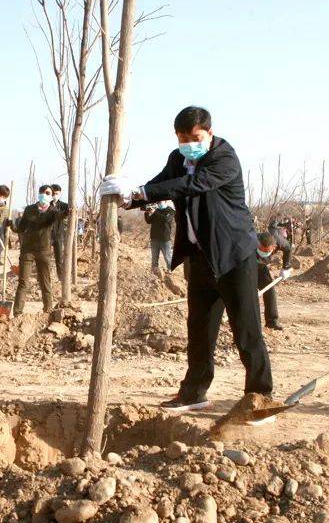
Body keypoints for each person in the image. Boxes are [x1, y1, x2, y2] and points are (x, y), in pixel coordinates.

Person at [100, 106, 273, 414]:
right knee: (200, 331)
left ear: (209, 132)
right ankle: (194, 392)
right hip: (200, 259)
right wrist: (132, 197)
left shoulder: (224, 158)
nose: (188, 142)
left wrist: (141, 191)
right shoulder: (178, 158)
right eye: (182, 137)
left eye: (195, 137)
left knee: (246, 330)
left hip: (234, 257)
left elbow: (192, 185)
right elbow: (164, 181)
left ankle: (260, 395)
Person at [12, 185, 63, 316]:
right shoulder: (29, 210)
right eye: (42, 192)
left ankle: (48, 310)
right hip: (27, 250)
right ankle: (17, 313)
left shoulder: (53, 212)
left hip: (43, 251)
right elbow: (21, 228)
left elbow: (62, 217)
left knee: (45, 281)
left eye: (47, 193)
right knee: (23, 282)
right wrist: (11, 225)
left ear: (51, 196)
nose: (43, 195)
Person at [255, 229, 293, 330]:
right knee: (250, 294)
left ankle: (272, 321)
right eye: (261, 250)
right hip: (247, 265)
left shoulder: (279, 242)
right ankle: (253, 326)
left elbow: (288, 248)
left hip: (262, 267)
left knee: (269, 289)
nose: (263, 252)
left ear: (274, 247)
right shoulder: (250, 240)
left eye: (266, 251)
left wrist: (286, 267)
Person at [144, 201, 175, 275]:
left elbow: (166, 219)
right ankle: (154, 273)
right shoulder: (156, 211)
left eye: (160, 202)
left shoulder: (170, 211)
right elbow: (148, 221)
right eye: (158, 202)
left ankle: (170, 272)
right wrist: (146, 213)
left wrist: (155, 212)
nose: (159, 204)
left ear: (165, 201)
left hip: (165, 239)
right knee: (154, 258)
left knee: (168, 258)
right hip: (154, 239)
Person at [49, 183, 70, 280]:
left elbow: (67, 214)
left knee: (59, 258)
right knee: (45, 257)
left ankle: (60, 278)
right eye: (53, 193)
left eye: (57, 193)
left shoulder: (64, 206)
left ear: (60, 193)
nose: (55, 196)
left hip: (59, 234)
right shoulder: (46, 205)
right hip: (47, 235)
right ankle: (44, 277)